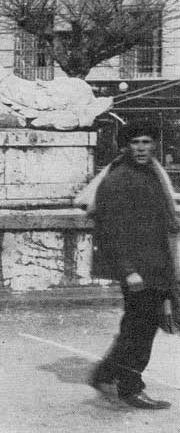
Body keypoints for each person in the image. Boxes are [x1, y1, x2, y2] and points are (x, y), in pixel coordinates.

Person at [90, 119, 178, 410]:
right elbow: (111, 230)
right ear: (126, 147)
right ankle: (131, 388)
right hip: (139, 270)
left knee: (136, 325)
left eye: (146, 142)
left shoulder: (152, 173)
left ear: (154, 145)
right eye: (135, 142)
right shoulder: (120, 179)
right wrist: (129, 271)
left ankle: (107, 372)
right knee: (141, 329)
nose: (141, 147)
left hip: (156, 264)